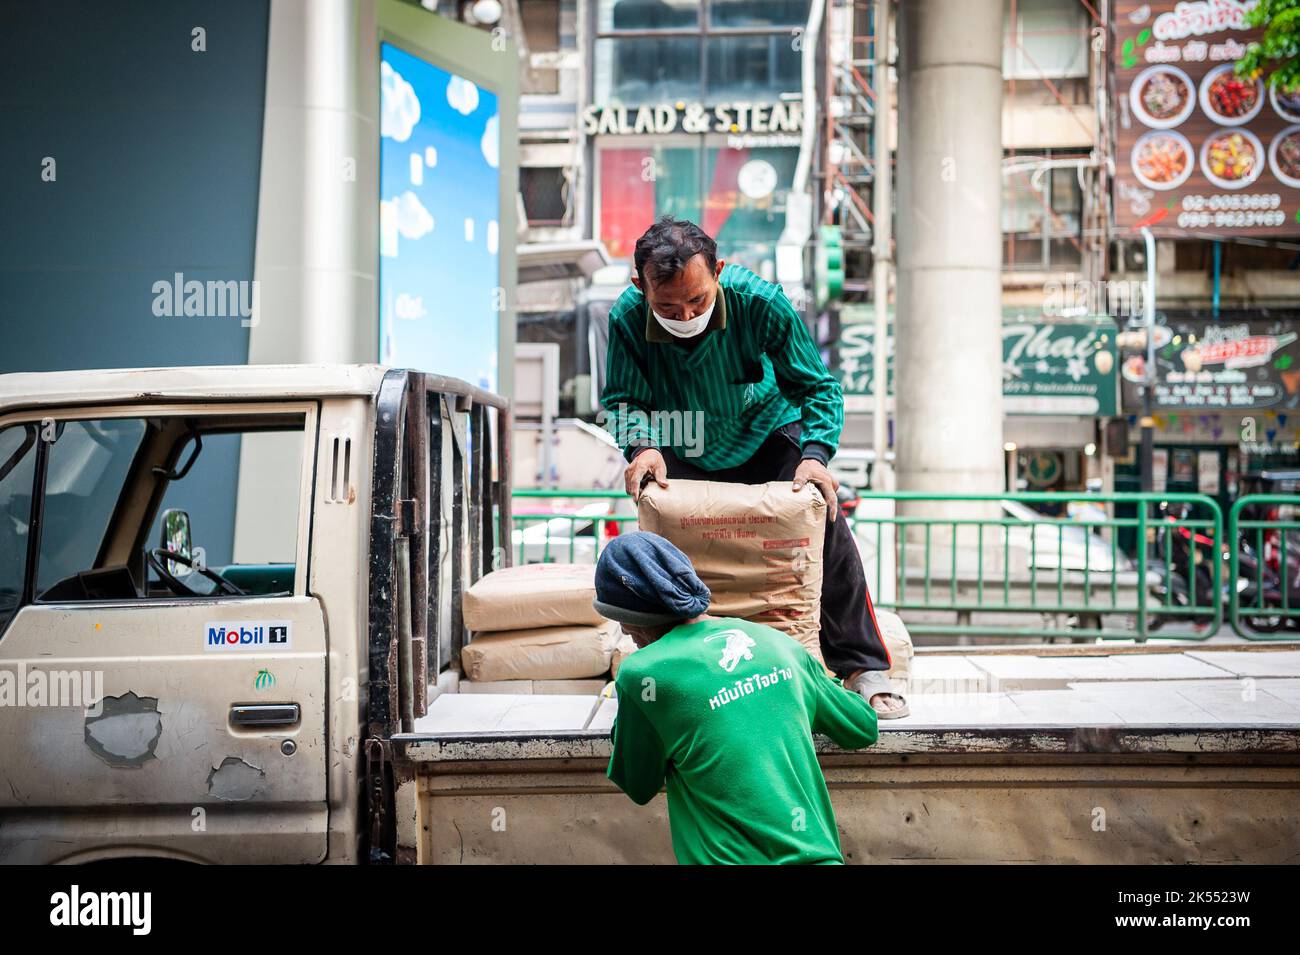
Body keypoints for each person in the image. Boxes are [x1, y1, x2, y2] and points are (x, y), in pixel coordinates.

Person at [601, 215, 907, 717]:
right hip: (684, 440)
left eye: (698, 300)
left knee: (826, 525)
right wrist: (642, 447)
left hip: (768, 433)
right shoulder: (626, 317)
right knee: (668, 554)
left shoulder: (760, 301)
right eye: (667, 306)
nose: (685, 315)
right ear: (641, 287)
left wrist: (816, 456)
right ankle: (677, 677)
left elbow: (818, 388)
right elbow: (621, 399)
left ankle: (863, 669)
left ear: (718, 271)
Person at [598, 531, 880, 865]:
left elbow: (639, 784)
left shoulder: (642, 674)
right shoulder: (779, 645)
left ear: (631, 621)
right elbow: (863, 726)